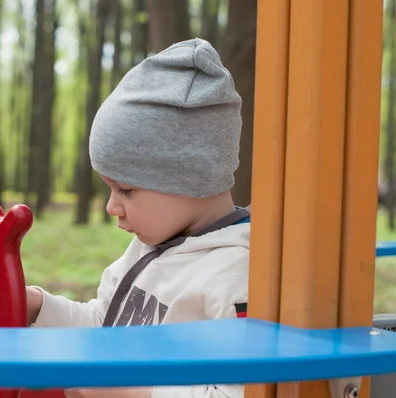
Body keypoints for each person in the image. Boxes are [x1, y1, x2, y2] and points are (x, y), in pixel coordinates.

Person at [26, 38, 250, 398]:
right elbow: (104, 326)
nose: (111, 207)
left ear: (190, 178)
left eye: (126, 190)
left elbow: (234, 393)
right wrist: (39, 306)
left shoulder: (235, 273)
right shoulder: (149, 245)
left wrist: (134, 389)